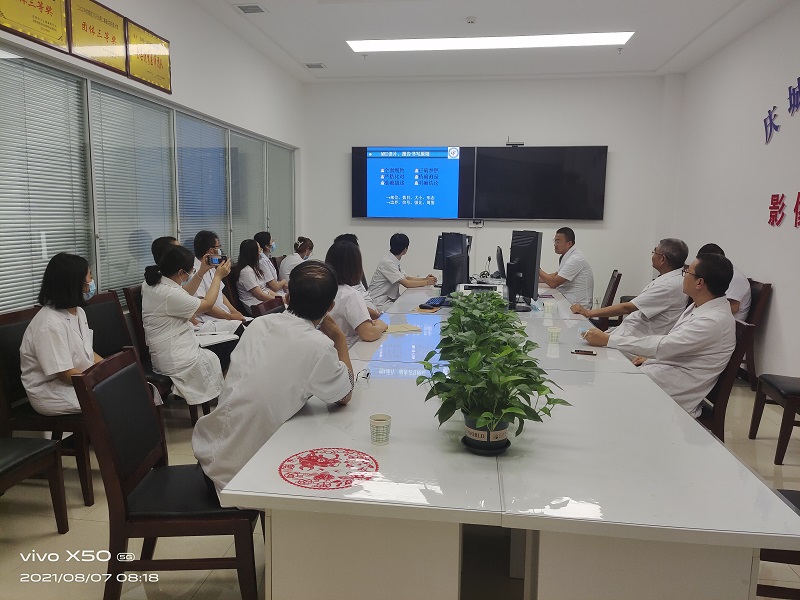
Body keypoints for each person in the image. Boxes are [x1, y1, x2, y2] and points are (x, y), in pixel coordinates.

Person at [193, 261, 355, 494]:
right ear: (330, 307)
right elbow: (344, 395)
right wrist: (339, 338)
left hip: (210, 452)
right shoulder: (319, 346)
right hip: (244, 476)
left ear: (287, 298)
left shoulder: (258, 324)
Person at [582, 253, 736, 417]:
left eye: (687, 272)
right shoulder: (702, 306)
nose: (683, 276)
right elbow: (678, 345)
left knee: (605, 384)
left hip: (674, 388)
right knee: (606, 373)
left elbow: (664, 345)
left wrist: (609, 340)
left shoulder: (712, 320)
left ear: (700, 283)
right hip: (666, 370)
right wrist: (650, 359)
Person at [142, 245, 231, 406]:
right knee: (216, 354)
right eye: (191, 271)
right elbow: (207, 304)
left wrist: (201, 271)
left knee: (215, 353)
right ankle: (217, 396)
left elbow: (185, 294)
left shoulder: (153, 283)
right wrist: (218, 277)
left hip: (173, 345)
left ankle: (218, 393)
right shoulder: (168, 293)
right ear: (181, 272)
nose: (191, 274)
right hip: (173, 354)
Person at [20, 253, 103, 416]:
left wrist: (111, 369)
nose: (91, 282)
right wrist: (100, 380)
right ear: (74, 284)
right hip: (51, 390)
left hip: (79, 379)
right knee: (111, 398)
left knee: (123, 388)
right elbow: (64, 374)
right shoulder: (49, 323)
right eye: (89, 277)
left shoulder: (78, 312)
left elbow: (88, 352)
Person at [570, 238, 689, 337]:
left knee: (576, 338)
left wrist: (588, 312)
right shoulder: (672, 278)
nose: (652, 255)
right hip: (630, 329)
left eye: (654, 252)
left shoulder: (668, 285)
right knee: (578, 335)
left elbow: (626, 308)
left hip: (637, 338)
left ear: (662, 259)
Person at [325, 240, 388, 346]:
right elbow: (368, 333)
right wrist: (382, 326)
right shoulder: (350, 294)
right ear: (355, 267)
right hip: (348, 350)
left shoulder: (324, 289)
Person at [192, 230, 246, 332]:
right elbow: (204, 306)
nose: (220, 250)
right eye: (218, 247)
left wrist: (235, 312)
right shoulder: (194, 272)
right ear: (211, 251)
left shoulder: (211, 266)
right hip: (209, 320)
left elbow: (221, 294)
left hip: (224, 315)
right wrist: (230, 317)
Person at [369, 233, 437, 311]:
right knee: (410, 309)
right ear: (405, 250)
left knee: (411, 305)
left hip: (388, 300)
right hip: (379, 303)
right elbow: (407, 284)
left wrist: (425, 279)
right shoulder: (387, 263)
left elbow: (406, 278)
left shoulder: (392, 260)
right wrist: (427, 282)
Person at [539, 227, 594, 309]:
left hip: (578, 307)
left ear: (569, 243)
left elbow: (553, 283)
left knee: (543, 307)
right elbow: (554, 276)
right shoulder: (567, 256)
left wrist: (536, 267)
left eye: (558, 242)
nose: (555, 244)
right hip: (567, 300)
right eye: (554, 241)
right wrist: (532, 278)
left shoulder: (575, 259)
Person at [696, 243, 751, 321]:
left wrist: (705, 309)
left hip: (732, 321)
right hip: (714, 315)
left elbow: (734, 307)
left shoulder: (735, 277)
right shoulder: (716, 273)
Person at [334, 232, 380, 319]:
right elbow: (359, 307)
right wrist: (378, 316)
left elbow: (366, 296)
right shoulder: (344, 290)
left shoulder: (355, 273)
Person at [234, 239, 279, 315]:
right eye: (259, 249)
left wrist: (280, 297)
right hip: (257, 307)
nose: (261, 251)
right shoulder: (246, 272)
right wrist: (278, 301)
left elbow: (265, 289)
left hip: (265, 302)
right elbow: (260, 295)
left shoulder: (255, 268)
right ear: (253, 253)